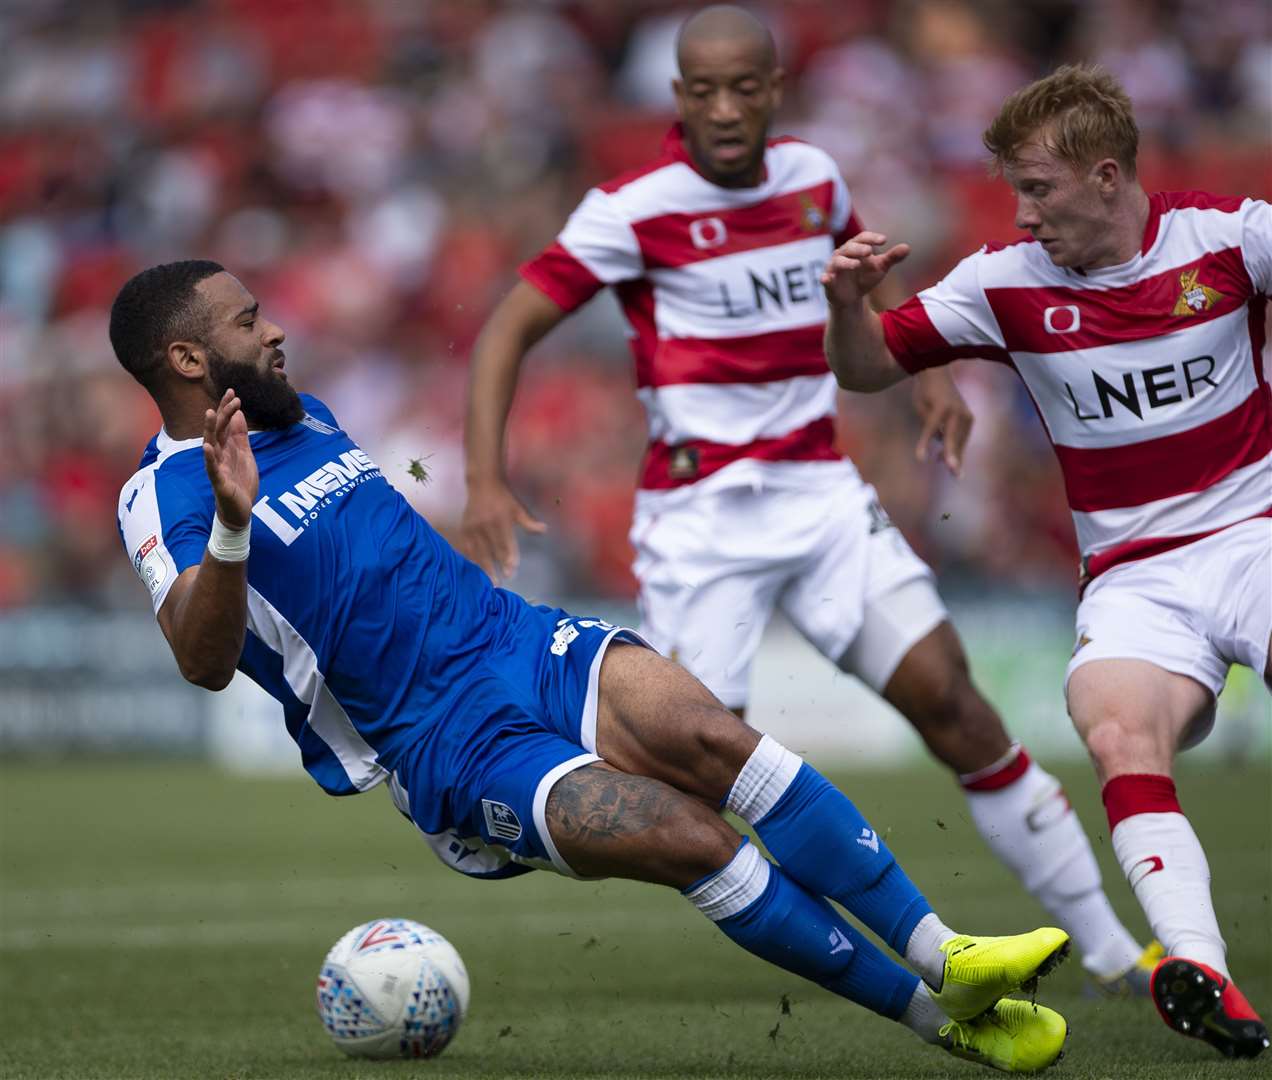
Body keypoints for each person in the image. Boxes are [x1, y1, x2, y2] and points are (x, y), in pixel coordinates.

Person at [110, 259, 1072, 1072]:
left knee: (713, 737)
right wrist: (233, 524)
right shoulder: (161, 495)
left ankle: (950, 955)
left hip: (519, 640)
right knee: (688, 837)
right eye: (248, 321)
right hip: (443, 739)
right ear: (188, 359)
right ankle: (944, 1025)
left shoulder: (308, 414)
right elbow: (200, 657)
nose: (276, 330)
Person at [461, 4, 1152, 996]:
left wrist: (925, 371)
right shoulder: (631, 207)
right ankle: (507, 811)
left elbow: (857, 287)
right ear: (679, 98)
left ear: (776, 90)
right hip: (699, 525)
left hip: (822, 495)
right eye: (706, 91)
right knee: (684, 786)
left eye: (747, 87)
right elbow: (505, 331)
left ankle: (1119, 953)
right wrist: (487, 477)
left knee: (956, 705)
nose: (727, 108)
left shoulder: (814, 178)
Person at [821, 64, 1270, 1061]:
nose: (1020, 215)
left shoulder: (1232, 239)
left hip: (1257, 537)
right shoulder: (1003, 285)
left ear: (1107, 177)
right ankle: (1198, 966)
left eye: (1038, 189)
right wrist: (850, 305)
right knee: (1114, 724)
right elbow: (866, 368)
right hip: (1134, 577)